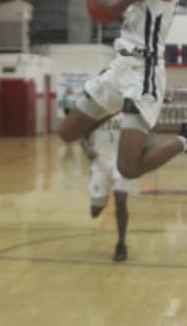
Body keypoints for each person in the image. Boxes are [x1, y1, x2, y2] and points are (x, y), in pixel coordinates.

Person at [59, 0, 187, 179]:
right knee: (67, 132)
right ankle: (115, 110)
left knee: (128, 168)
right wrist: (105, 7)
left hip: (143, 71)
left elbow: (117, 3)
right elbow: (121, 13)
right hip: (120, 66)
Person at [80, 112, 130, 261]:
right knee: (95, 212)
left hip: (120, 159)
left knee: (121, 199)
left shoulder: (127, 108)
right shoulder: (96, 109)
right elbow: (82, 135)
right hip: (100, 161)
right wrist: (87, 149)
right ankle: (103, 196)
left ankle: (121, 243)